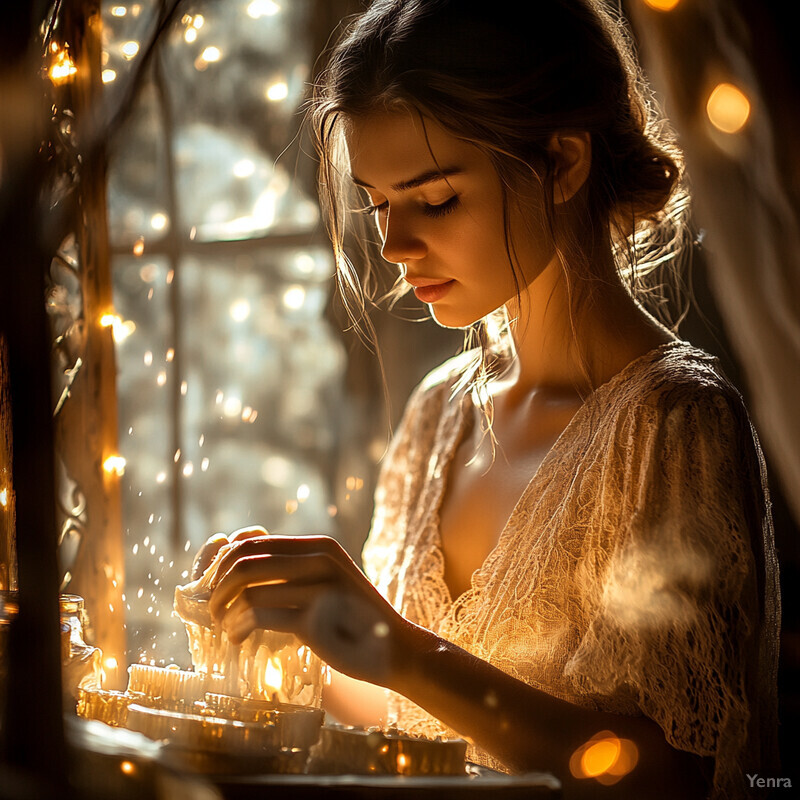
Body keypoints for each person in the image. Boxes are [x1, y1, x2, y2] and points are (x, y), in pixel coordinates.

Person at [192, 1, 780, 797]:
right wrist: (294, 633)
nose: (395, 246)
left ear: (563, 164)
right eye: (377, 204)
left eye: (434, 199)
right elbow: (407, 724)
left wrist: (402, 649)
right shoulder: (438, 414)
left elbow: (670, 777)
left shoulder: (674, 426)